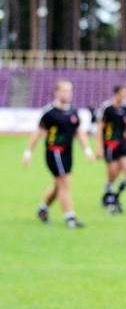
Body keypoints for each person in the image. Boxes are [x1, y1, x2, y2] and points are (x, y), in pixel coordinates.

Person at [22, 80, 94, 228]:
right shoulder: (49, 113)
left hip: (68, 153)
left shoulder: (73, 112)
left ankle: (43, 209)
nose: (68, 94)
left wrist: (87, 150)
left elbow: (79, 132)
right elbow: (38, 133)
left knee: (58, 186)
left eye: (70, 91)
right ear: (57, 92)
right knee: (65, 184)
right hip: (54, 152)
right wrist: (28, 153)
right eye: (64, 91)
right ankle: (70, 218)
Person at [96, 85, 126, 214]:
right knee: (112, 174)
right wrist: (98, 147)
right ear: (116, 93)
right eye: (122, 94)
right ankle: (108, 197)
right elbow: (99, 127)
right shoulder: (107, 108)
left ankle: (116, 195)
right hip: (110, 145)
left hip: (123, 145)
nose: (124, 96)